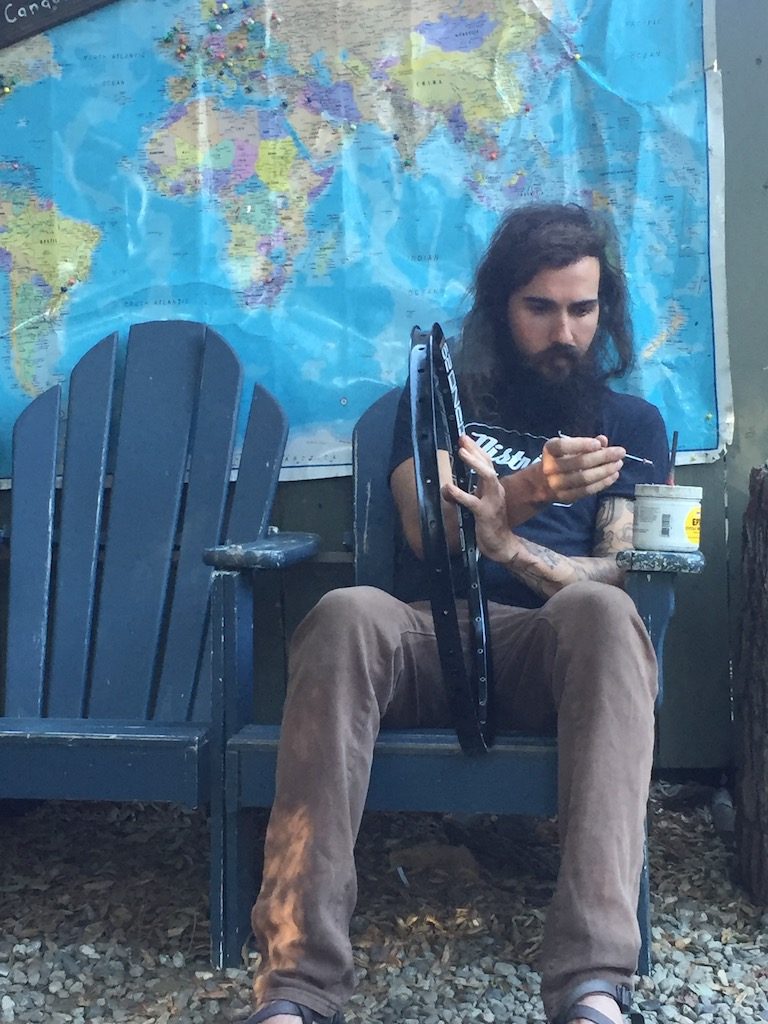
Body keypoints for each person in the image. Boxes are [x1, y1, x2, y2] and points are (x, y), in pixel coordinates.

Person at [244, 202, 669, 1024]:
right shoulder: (441, 404)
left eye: (582, 310)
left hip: (543, 649)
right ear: (501, 309)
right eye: (539, 308)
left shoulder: (629, 425)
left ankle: (592, 984)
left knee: (607, 617)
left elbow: (615, 572)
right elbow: (427, 529)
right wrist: (528, 488)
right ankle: (297, 984)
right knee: (343, 613)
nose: (563, 333)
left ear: (604, 311)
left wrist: (511, 546)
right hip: (420, 635)